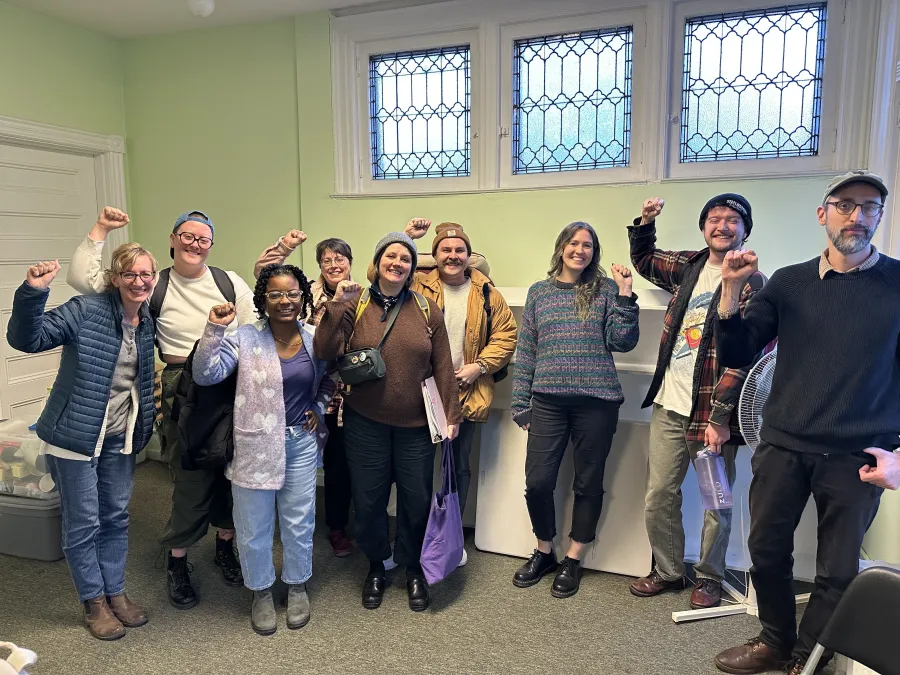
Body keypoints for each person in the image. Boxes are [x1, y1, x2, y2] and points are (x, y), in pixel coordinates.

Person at [712, 171, 900, 675]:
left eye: (868, 206)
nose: (855, 216)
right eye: (844, 205)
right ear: (823, 214)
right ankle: (775, 640)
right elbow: (736, 349)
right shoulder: (790, 283)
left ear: (880, 216)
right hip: (783, 444)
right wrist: (731, 290)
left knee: (837, 569)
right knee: (767, 550)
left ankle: (809, 655)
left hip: (859, 454)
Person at [66, 208, 255, 610]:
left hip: (232, 383)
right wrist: (100, 230)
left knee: (232, 472)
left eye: (203, 239)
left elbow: (253, 327)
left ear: (211, 245)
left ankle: (225, 546)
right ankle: (177, 560)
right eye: (187, 236)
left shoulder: (228, 281)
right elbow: (85, 280)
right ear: (172, 239)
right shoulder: (154, 284)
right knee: (189, 476)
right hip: (181, 388)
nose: (194, 244)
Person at [7, 231, 158, 640]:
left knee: (115, 516)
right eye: (130, 274)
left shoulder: (147, 320)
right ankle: (93, 602)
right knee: (84, 522)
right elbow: (27, 339)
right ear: (114, 277)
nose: (139, 281)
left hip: (118, 437)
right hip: (75, 435)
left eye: (146, 274)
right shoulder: (85, 309)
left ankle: (116, 592)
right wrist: (33, 293)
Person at [627, 194, 766, 610]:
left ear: (744, 230)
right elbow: (646, 259)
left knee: (715, 501)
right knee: (659, 495)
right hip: (669, 406)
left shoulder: (752, 282)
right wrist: (646, 220)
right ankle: (669, 571)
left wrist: (721, 416)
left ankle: (709, 577)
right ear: (704, 227)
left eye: (731, 220)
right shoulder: (689, 266)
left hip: (713, 416)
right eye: (714, 219)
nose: (721, 226)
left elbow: (744, 358)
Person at [314, 232, 461, 612]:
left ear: (412, 267)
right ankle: (377, 565)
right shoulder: (354, 303)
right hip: (365, 424)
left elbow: (443, 366)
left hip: (416, 428)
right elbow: (325, 350)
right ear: (378, 262)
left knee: (415, 501)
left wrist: (451, 415)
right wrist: (335, 305)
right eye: (390, 256)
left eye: (405, 258)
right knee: (368, 500)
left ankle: (413, 567)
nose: (397, 263)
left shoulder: (428, 309)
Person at [193, 263, 334, 635]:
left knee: (298, 520)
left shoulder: (314, 338)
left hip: (299, 443)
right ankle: (260, 592)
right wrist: (215, 329)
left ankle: (298, 583)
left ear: (303, 297)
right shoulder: (244, 338)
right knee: (254, 526)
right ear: (263, 300)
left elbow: (329, 379)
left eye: (292, 293)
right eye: (275, 294)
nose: (284, 300)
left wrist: (318, 409)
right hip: (254, 443)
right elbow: (205, 373)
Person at [510, 221, 639, 599]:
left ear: (593, 252)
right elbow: (527, 349)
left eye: (587, 245)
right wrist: (520, 403)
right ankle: (544, 550)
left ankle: (574, 557)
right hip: (547, 401)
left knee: (587, 483)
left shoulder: (605, 291)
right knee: (538, 483)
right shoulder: (539, 292)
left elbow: (622, 341)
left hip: (597, 402)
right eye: (573, 242)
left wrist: (626, 295)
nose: (579, 250)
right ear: (561, 247)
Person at [394, 218, 517, 566]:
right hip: (421, 392)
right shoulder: (416, 284)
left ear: (469, 255)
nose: (453, 255)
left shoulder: (487, 292)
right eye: (446, 250)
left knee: (457, 466)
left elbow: (506, 335)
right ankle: (414, 536)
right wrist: (406, 238)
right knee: (415, 467)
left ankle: (451, 535)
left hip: (466, 391)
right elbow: (381, 275)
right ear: (434, 255)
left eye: (459, 249)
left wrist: (478, 367)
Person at [255, 231, 357, 558]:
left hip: (345, 394)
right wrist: (283, 247)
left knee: (339, 465)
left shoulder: (361, 295)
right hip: (305, 390)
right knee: (296, 460)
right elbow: (264, 275)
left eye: (339, 258)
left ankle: (337, 527)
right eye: (326, 259)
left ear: (350, 263)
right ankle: (290, 525)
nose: (333, 264)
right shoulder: (304, 294)